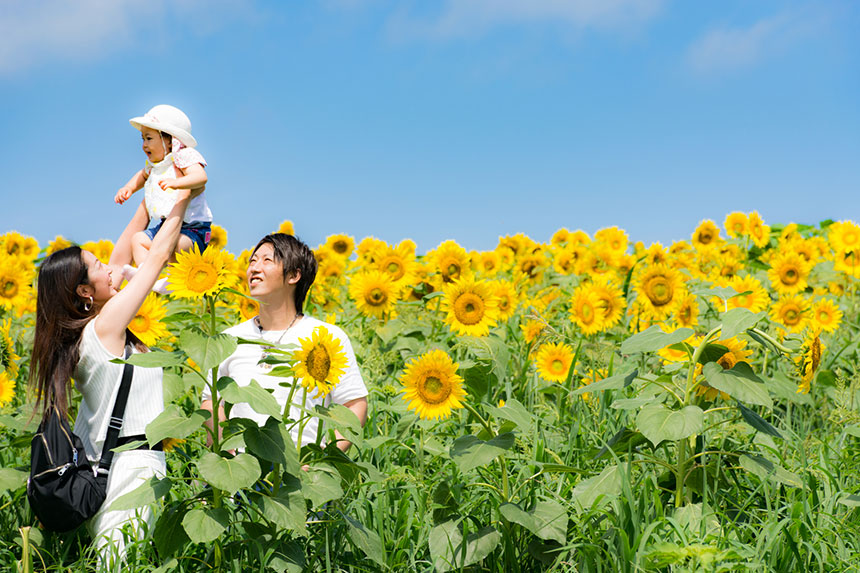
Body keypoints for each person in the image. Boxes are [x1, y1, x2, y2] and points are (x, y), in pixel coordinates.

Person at [29, 194, 191, 569]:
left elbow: (126, 245)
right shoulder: (105, 327)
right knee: (119, 564)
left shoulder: (87, 332)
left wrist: (152, 193)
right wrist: (183, 197)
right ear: (85, 292)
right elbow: (155, 259)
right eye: (99, 266)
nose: (111, 267)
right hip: (131, 465)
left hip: (104, 462)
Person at [202, 233, 368, 454]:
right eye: (252, 261)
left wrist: (320, 458)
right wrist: (225, 453)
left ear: (293, 275)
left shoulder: (326, 337)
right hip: (240, 473)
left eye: (266, 260)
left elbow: (354, 405)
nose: (254, 268)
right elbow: (211, 403)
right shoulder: (229, 339)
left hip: (300, 475)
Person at [114, 105, 212, 290]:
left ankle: (171, 279)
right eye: (142, 139)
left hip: (193, 228)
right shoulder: (156, 164)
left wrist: (178, 184)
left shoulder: (183, 156)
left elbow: (201, 177)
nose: (144, 145)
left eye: (149, 138)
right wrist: (128, 188)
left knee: (178, 245)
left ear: (170, 140)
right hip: (165, 224)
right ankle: (146, 274)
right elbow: (142, 176)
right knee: (138, 240)